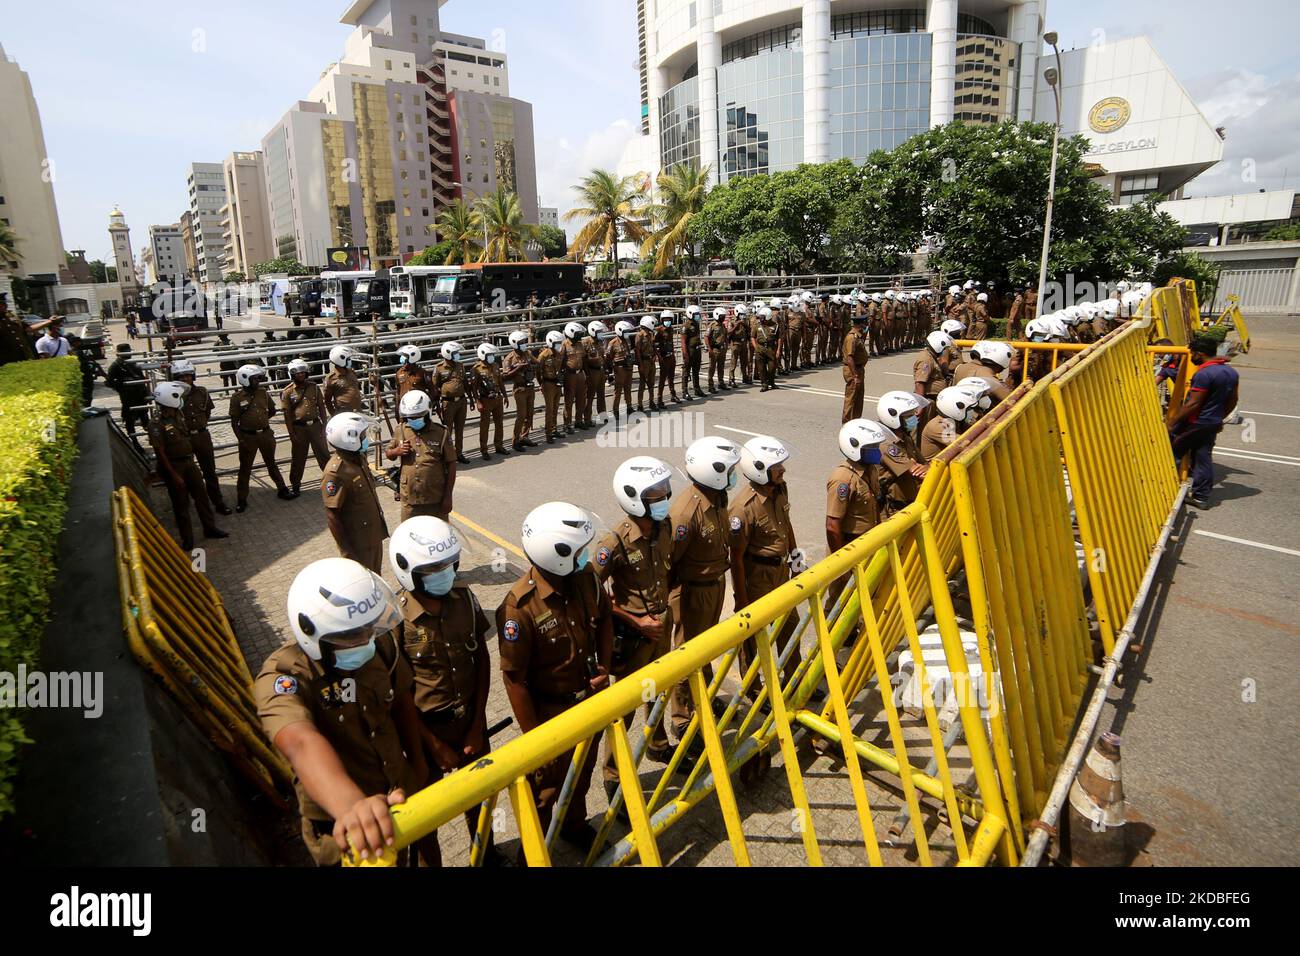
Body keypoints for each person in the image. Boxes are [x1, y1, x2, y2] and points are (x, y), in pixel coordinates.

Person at [256, 558, 434, 866]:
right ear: (312, 634)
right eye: (352, 636)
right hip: (344, 831)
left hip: (399, 793)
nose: (365, 640)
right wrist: (353, 807)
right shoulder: (286, 678)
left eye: (369, 629)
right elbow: (300, 742)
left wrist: (417, 765)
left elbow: (402, 700)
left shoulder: (380, 643)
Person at [497, 502, 612, 853]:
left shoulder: (586, 579)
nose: (585, 556)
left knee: (581, 774)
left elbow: (605, 618)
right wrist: (537, 742)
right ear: (556, 553)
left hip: (586, 702)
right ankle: (533, 853)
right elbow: (514, 681)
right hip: (549, 713)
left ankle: (574, 826)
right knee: (546, 789)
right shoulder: (520, 607)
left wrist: (604, 666)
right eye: (578, 550)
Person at [388, 518, 503, 866]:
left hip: (469, 722)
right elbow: (397, 694)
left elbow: (481, 659)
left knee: (480, 799)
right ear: (408, 570)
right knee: (425, 818)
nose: (444, 573)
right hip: (423, 734)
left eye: (448, 565)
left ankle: (486, 854)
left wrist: (475, 725)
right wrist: (432, 746)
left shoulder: (465, 599)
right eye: (433, 568)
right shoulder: (395, 618)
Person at [593, 456, 676, 801]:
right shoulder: (613, 544)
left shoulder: (665, 526)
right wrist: (635, 621)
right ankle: (613, 773)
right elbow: (593, 597)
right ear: (633, 498)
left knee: (658, 688)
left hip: (661, 625)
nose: (665, 499)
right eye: (655, 495)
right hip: (633, 636)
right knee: (625, 708)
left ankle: (657, 742)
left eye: (665, 492)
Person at [667, 437, 742, 741]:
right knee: (687, 654)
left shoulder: (718, 498)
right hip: (691, 591)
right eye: (729, 469)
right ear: (712, 471)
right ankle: (683, 717)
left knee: (705, 648)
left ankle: (704, 698)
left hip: (713, 584)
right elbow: (669, 562)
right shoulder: (686, 513)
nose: (735, 474)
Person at [729, 436, 803, 696]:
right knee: (754, 633)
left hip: (782, 570)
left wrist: (796, 559)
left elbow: (787, 525)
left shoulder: (780, 489)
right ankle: (752, 686)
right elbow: (736, 557)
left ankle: (793, 678)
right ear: (759, 469)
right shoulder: (742, 508)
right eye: (777, 466)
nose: (783, 470)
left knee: (789, 624)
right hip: (757, 576)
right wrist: (741, 599)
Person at [148, 381, 230, 551]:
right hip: (174, 466)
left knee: (201, 496)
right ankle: (187, 538)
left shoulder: (178, 415)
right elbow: (160, 452)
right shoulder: (156, 423)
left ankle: (210, 528)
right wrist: (174, 476)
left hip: (189, 462)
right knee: (181, 504)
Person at [1169, 335, 1240, 509]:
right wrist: (1219, 418)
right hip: (1212, 422)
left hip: (1197, 422)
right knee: (1202, 457)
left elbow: (1193, 403)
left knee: (1173, 450)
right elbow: (1233, 400)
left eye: (1193, 353)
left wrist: (1173, 421)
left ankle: (1165, 489)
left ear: (1200, 354)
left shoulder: (1204, 373)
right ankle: (1200, 496)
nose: (1191, 356)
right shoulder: (1231, 372)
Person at [321, 412, 390, 573]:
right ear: (349, 439)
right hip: (358, 545)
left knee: (376, 577)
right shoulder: (336, 473)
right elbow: (332, 516)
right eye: (362, 435)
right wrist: (348, 554)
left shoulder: (358, 459)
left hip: (372, 536)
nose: (365, 439)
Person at [229, 364, 295, 511]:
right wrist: (241, 439)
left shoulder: (263, 392)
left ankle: (282, 489)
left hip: (265, 434)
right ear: (245, 380)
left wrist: (262, 422)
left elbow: (271, 410)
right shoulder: (237, 398)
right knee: (245, 469)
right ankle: (241, 499)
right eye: (255, 379)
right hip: (248, 437)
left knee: (271, 463)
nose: (258, 381)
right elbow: (234, 422)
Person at [170, 359, 232, 515]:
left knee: (209, 471)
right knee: (185, 474)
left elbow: (207, 413)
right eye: (181, 377)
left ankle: (218, 502)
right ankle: (187, 507)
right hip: (183, 439)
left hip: (202, 436)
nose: (185, 379)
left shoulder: (202, 392)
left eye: (188, 376)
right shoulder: (172, 395)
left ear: (193, 376)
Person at [385, 389, 456, 522]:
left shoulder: (441, 433)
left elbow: (451, 464)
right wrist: (397, 451)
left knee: (438, 535)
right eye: (409, 418)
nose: (412, 420)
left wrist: (448, 497)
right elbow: (389, 453)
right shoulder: (401, 430)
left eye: (417, 417)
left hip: (435, 499)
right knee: (409, 535)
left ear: (427, 413)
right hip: (409, 499)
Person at [281, 358, 331, 497]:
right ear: (292, 374)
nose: (301, 375)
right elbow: (287, 416)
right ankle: (295, 485)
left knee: (324, 455)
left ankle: (332, 481)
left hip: (315, 426)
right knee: (298, 458)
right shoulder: (287, 392)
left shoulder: (314, 388)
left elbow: (321, 407)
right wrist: (292, 434)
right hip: (299, 429)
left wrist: (324, 426)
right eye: (297, 373)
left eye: (303, 373)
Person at [875, 391, 930, 515]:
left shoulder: (905, 437)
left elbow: (925, 465)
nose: (915, 417)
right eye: (909, 415)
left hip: (910, 505)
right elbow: (917, 473)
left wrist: (927, 467)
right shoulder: (886, 444)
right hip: (893, 510)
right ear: (893, 416)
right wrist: (924, 468)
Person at [432, 341, 472, 463]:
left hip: (461, 401)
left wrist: (471, 398)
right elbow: (435, 387)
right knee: (447, 430)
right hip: (447, 403)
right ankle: (448, 455)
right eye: (455, 352)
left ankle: (459, 453)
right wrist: (436, 404)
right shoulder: (439, 368)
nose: (457, 354)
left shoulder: (461, 365)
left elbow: (465, 382)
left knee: (460, 429)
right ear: (448, 353)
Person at [469, 342, 510, 460]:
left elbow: (500, 382)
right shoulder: (476, 369)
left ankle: (499, 445)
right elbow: (474, 387)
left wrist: (505, 395)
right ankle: (484, 449)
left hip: (497, 398)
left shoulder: (495, 366)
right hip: (485, 400)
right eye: (489, 354)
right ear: (483, 355)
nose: (492, 356)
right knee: (485, 426)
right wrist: (478, 402)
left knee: (499, 424)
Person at [921, 384, 985, 462]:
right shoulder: (937, 427)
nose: (972, 411)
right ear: (956, 409)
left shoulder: (956, 420)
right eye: (969, 409)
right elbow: (963, 444)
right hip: (935, 470)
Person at [105, 343, 150, 451]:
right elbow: (109, 382)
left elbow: (142, 378)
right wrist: (122, 386)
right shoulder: (116, 366)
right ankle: (135, 442)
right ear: (119, 353)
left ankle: (152, 437)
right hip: (128, 398)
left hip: (140, 396)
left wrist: (147, 392)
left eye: (129, 350)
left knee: (145, 418)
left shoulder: (133, 364)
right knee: (129, 421)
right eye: (125, 351)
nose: (128, 353)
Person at [502, 329, 539, 450]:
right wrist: (518, 368)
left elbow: (537, 363)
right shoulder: (509, 358)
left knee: (529, 414)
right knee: (521, 415)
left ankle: (525, 436)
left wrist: (530, 366)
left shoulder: (527, 353)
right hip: (520, 389)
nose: (524, 343)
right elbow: (506, 376)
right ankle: (515, 440)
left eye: (524, 341)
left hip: (530, 387)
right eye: (522, 342)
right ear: (515, 343)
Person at [841, 310, 870, 424]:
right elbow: (850, 358)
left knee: (858, 398)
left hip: (859, 369)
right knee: (851, 398)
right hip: (853, 371)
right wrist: (855, 375)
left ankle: (856, 421)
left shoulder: (858, 336)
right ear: (860, 324)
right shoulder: (852, 338)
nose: (866, 325)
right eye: (865, 323)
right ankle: (847, 422)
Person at [560, 321, 589, 431]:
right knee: (569, 400)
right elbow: (561, 361)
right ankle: (567, 424)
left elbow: (584, 359)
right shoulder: (564, 345)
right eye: (577, 334)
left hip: (580, 374)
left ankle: (578, 421)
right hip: (570, 375)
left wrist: (587, 374)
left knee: (581, 399)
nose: (579, 336)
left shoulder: (580, 344)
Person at [538, 330, 564, 443]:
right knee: (549, 409)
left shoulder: (559, 354)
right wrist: (541, 383)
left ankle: (554, 429)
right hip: (548, 383)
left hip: (557, 383)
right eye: (557, 342)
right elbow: (538, 371)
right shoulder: (544, 355)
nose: (559, 344)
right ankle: (548, 433)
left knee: (556, 408)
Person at [914, 330, 955, 402]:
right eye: (944, 348)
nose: (945, 351)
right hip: (929, 398)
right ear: (938, 346)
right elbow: (919, 383)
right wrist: (920, 405)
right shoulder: (926, 360)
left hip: (935, 397)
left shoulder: (932, 356)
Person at [607, 320, 636, 419]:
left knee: (628, 389)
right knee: (618, 391)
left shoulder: (627, 340)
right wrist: (610, 373)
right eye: (625, 331)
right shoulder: (613, 343)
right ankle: (615, 410)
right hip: (619, 369)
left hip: (628, 367)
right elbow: (608, 358)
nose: (627, 333)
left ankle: (629, 406)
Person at [323, 345, 364, 416]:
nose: (350, 361)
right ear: (340, 360)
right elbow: (327, 400)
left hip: (357, 410)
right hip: (343, 413)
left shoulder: (351, 372)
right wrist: (334, 415)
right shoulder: (331, 378)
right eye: (348, 359)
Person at [583, 320, 608, 425]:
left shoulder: (600, 342)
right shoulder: (586, 343)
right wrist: (587, 374)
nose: (601, 333)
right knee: (590, 396)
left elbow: (602, 356)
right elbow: (584, 360)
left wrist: (606, 369)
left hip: (601, 370)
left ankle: (602, 416)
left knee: (601, 395)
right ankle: (587, 419)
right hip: (592, 371)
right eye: (599, 331)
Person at [751, 307, 780, 392]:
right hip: (760, 348)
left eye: (763, 317)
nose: (761, 319)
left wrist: (778, 349)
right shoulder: (757, 325)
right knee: (761, 368)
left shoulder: (775, 326)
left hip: (771, 348)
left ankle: (771, 382)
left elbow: (779, 338)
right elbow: (753, 337)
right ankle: (764, 384)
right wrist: (755, 347)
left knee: (772, 367)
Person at [655, 310, 680, 407]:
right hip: (664, 357)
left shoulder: (671, 329)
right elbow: (654, 343)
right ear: (662, 320)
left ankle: (673, 395)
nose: (667, 321)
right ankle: (659, 399)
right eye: (665, 320)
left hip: (671, 356)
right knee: (662, 379)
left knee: (671, 377)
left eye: (669, 320)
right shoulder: (659, 331)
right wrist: (658, 355)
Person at [634, 314, 658, 412]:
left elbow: (653, 346)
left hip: (651, 360)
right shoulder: (639, 336)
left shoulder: (651, 334)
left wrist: (655, 355)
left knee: (651, 383)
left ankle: (651, 402)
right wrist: (640, 365)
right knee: (642, 384)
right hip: (644, 361)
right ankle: (640, 404)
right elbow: (638, 351)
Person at [680, 304, 704, 400]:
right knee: (686, 372)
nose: (698, 315)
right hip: (690, 351)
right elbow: (683, 342)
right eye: (696, 314)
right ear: (690, 314)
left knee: (696, 370)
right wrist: (686, 354)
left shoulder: (696, 324)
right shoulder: (686, 326)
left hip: (697, 350)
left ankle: (697, 389)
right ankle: (685, 391)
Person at [705, 308, 729, 393]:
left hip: (722, 349)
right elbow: (706, 337)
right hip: (714, 349)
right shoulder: (712, 325)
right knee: (712, 368)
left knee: (721, 367)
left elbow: (725, 336)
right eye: (722, 316)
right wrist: (709, 349)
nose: (723, 317)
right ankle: (710, 386)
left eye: (724, 316)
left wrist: (726, 346)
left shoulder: (723, 325)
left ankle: (721, 382)